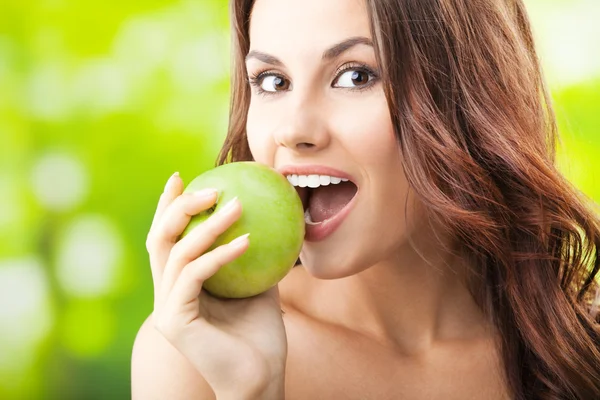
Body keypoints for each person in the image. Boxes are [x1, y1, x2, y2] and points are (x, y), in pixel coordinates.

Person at [131, 0, 600, 398]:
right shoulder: (193, 359)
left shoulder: (581, 347)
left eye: (355, 76)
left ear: (466, 93)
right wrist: (252, 391)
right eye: (273, 81)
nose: (294, 130)